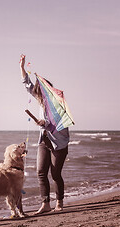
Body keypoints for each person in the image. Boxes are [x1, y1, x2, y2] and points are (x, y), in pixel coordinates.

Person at [20, 54, 69, 214]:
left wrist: (45, 124)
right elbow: (28, 85)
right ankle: (45, 204)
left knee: (55, 174)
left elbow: (59, 125)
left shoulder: (59, 104)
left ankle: (59, 202)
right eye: (37, 92)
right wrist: (21, 68)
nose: (38, 94)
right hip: (44, 141)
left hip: (59, 143)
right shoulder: (40, 99)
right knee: (41, 172)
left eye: (40, 91)